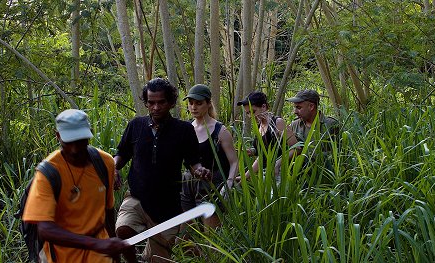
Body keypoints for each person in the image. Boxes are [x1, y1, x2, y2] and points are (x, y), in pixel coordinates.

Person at [114, 78, 211, 263]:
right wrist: (113, 167)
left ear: (171, 102)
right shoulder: (136, 126)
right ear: (146, 103)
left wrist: (199, 171)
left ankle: (151, 255)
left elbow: (193, 162)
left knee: (162, 259)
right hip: (137, 198)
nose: (156, 107)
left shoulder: (183, 130)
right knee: (123, 230)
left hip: (167, 207)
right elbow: (121, 153)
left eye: (161, 102)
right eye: (151, 103)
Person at [22, 109, 129, 262]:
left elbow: (108, 210)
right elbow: (45, 229)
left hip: (98, 253)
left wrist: (113, 250)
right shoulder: (48, 172)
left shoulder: (104, 163)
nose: (74, 149)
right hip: (62, 254)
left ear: (89, 134)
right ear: (58, 136)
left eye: (80, 141)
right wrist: (95, 244)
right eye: (68, 142)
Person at [181, 84, 238, 228]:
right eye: (191, 103)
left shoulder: (220, 130)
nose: (194, 107)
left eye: (199, 103)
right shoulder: (186, 128)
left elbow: (234, 161)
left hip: (212, 184)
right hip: (188, 183)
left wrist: (229, 183)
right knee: (186, 233)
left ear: (208, 103)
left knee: (211, 233)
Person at [236, 91, 298, 181]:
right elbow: (261, 158)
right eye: (248, 113)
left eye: (253, 112)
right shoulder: (259, 126)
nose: (250, 116)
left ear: (263, 107)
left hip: (282, 174)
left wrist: (278, 163)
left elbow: (297, 147)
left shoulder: (277, 122)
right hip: (266, 175)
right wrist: (245, 176)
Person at [286, 90, 339, 163]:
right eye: (294, 107)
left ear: (311, 106)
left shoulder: (331, 125)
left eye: (299, 108)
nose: (295, 112)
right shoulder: (294, 125)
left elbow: (341, 155)